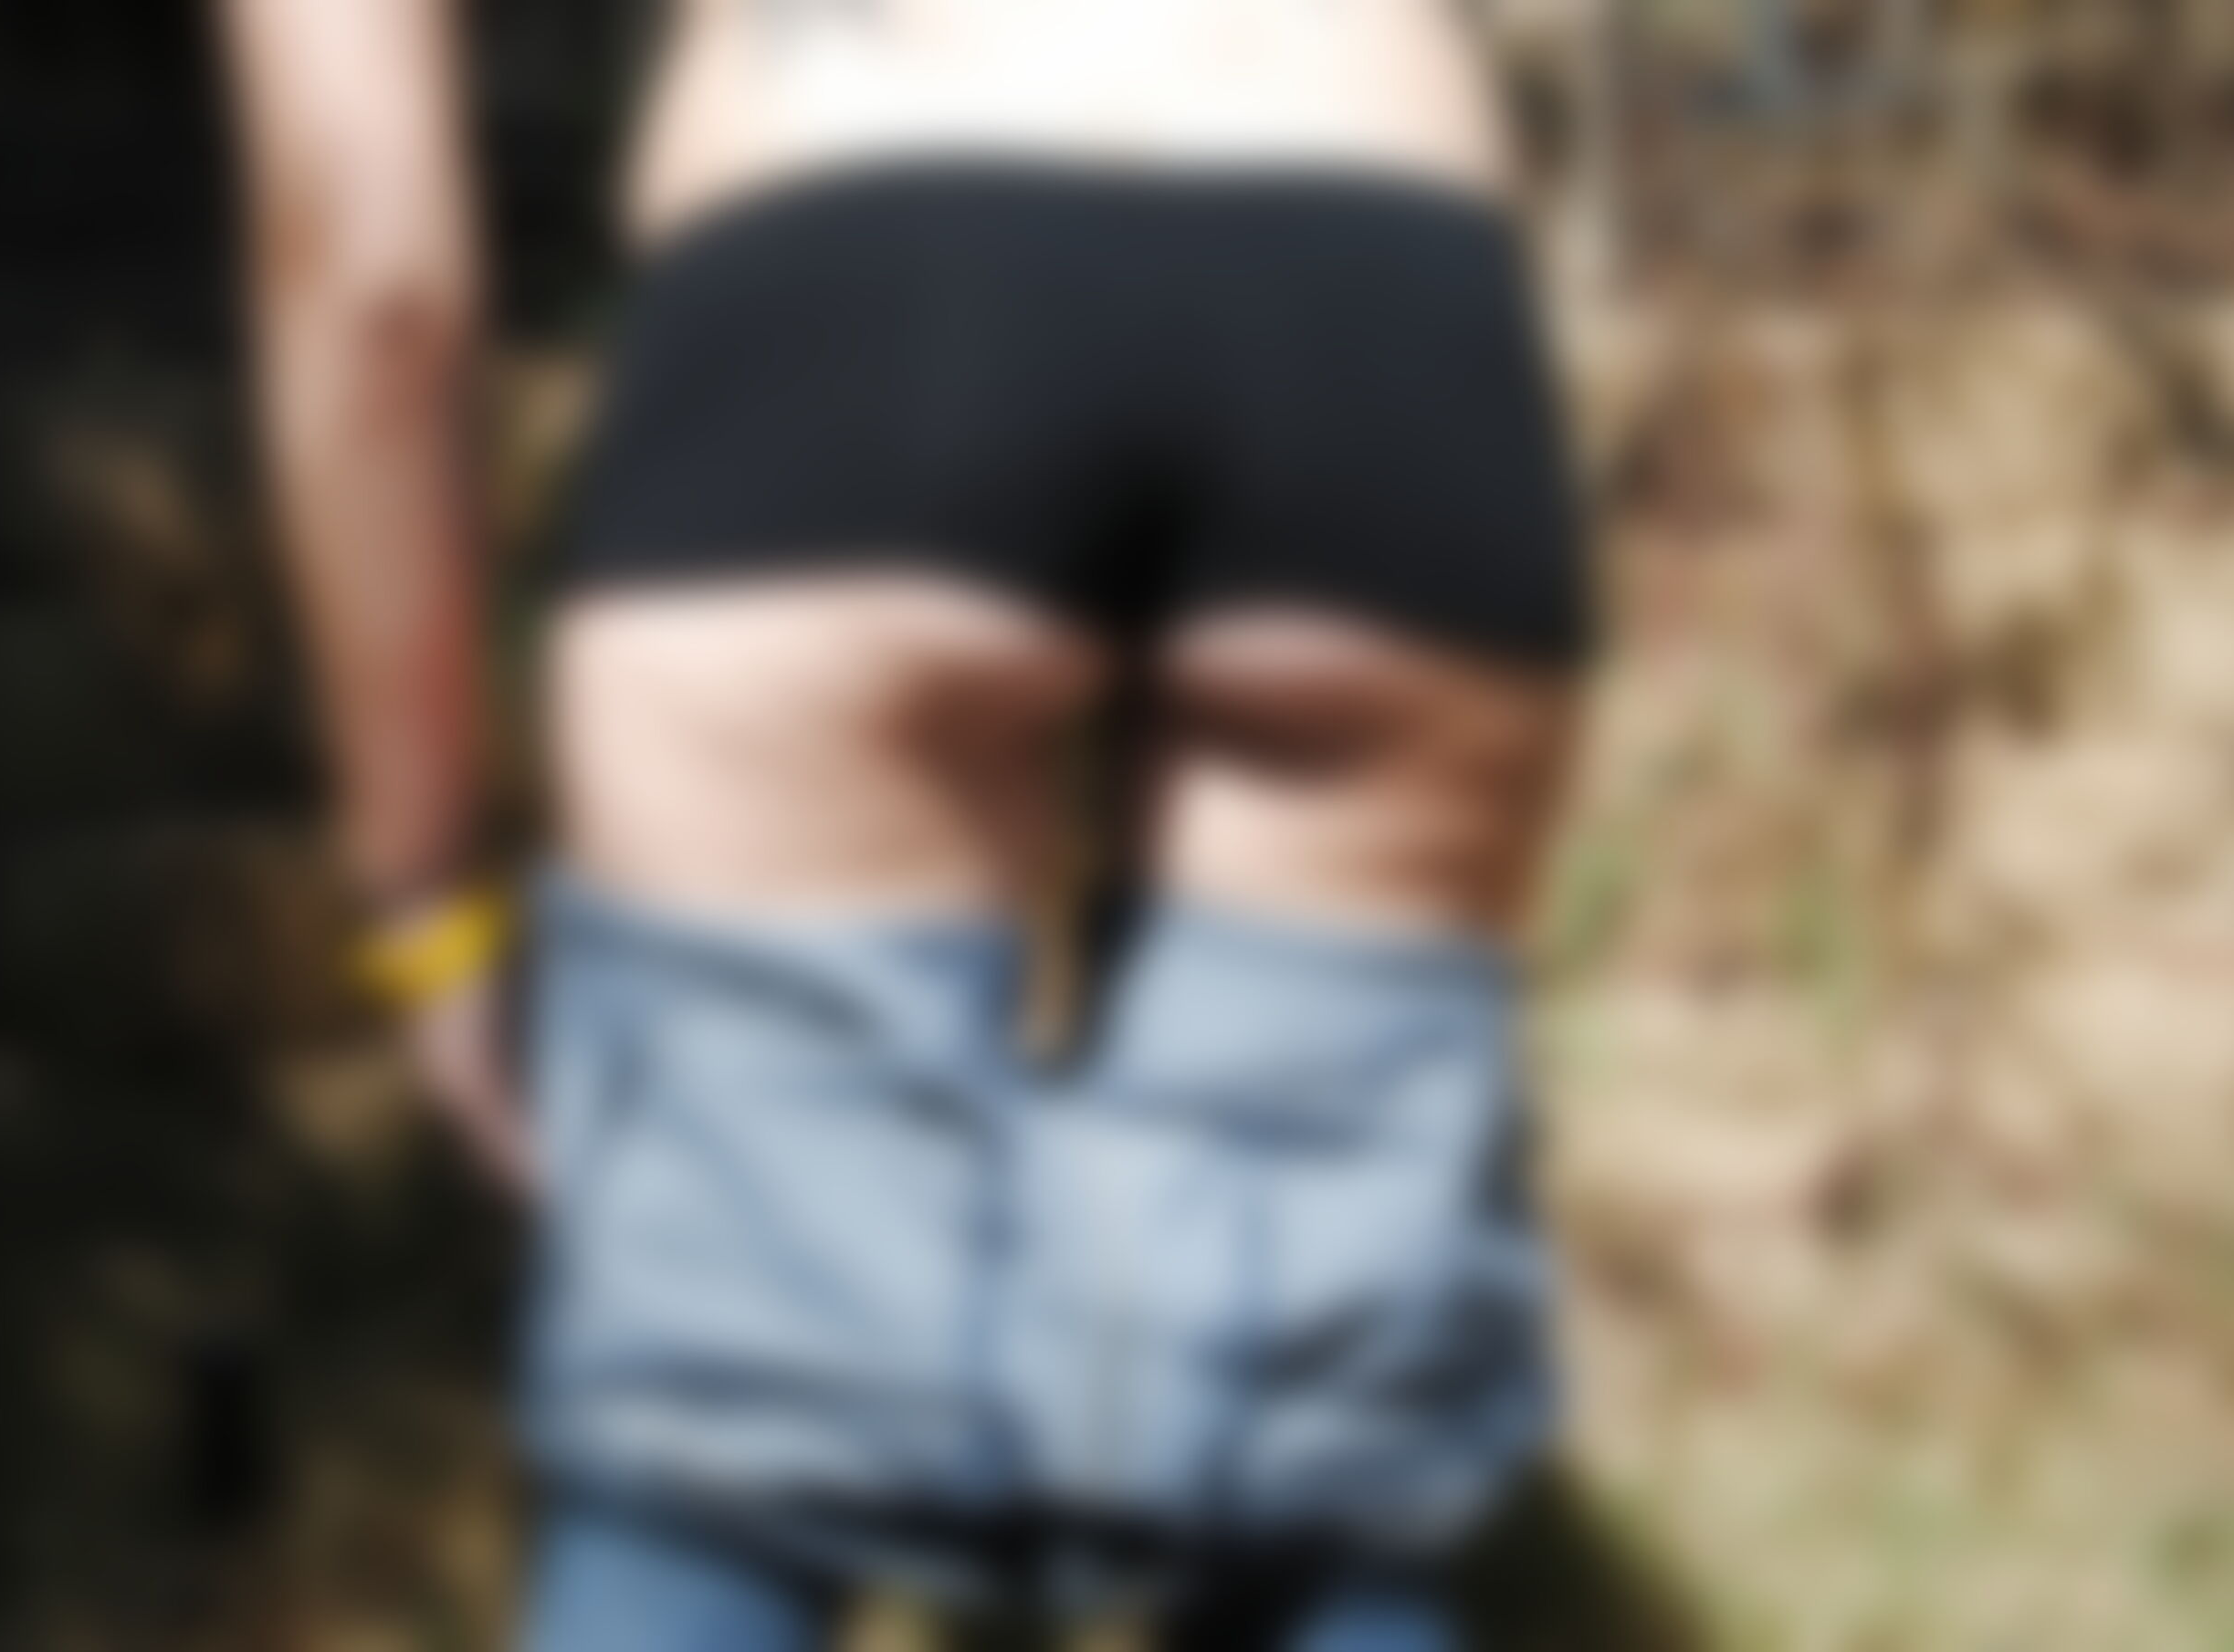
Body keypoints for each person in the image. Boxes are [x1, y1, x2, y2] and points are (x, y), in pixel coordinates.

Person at [218, 2, 1593, 1647]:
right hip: (1381, 273)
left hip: (861, 257)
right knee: (1312, 1489)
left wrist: (426, 888)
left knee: (712, 1461)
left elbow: (373, 265)